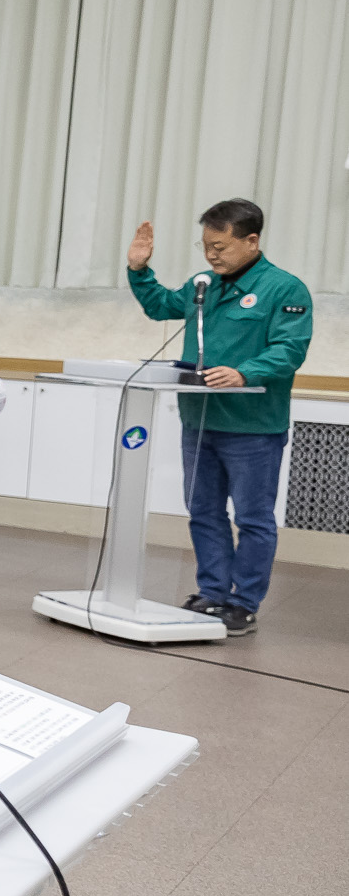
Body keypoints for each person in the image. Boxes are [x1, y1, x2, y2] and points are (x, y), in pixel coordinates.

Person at [127, 201, 312, 635]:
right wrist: (139, 270)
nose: (211, 255)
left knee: (252, 518)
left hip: (252, 427)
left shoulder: (285, 289)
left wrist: (245, 372)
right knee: (203, 511)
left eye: (220, 246)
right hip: (200, 420)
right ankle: (212, 592)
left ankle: (243, 602)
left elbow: (289, 350)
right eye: (206, 246)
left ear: (251, 240)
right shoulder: (203, 284)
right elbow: (162, 307)